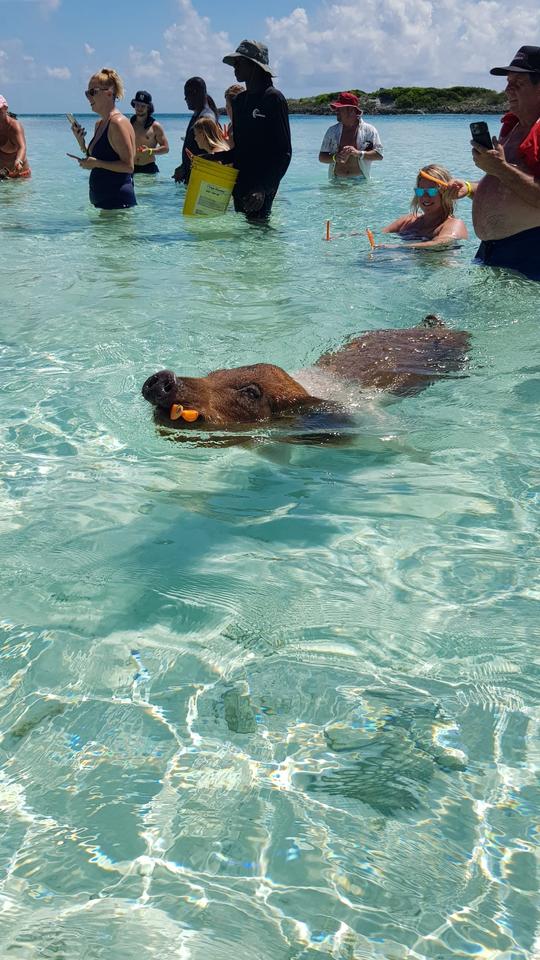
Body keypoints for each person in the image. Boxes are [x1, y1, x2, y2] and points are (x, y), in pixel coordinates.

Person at [450, 46, 540, 280]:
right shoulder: (513, 127)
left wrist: (499, 168)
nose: (507, 89)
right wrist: (470, 188)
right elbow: (507, 186)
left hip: (528, 253)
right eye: (508, 82)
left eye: (517, 83)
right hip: (493, 252)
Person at [215, 39, 291, 220]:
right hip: (240, 182)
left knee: (259, 233)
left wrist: (264, 188)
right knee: (244, 241)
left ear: (255, 66)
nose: (235, 67)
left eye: (239, 63)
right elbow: (241, 150)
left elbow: (284, 153)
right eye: (235, 63)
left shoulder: (274, 99)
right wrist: (215, 158)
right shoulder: (240, 101)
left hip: (261, 188)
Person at [69, 68, 136, 210]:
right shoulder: (100, 123)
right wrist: (81, 143)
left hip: (118, 203)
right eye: (87, 93)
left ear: (109, 93)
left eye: (93, 92)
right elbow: (100, 158)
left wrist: (97, 163)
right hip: (105, 204)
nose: (88, 97)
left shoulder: (117, 123)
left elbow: (128, 166)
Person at [381, 165, 468, 248]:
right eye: (420, 191)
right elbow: (379, 235)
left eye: (432, 191)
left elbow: (440, 243)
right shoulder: (407, 221)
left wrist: (398, 247)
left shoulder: (454, 224)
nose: (425, 196)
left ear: (445, 193)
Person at [319, 92, 383, 180]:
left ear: (351, 110)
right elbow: (321, 157)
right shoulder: (332, 131)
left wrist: (358, 153)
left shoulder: (369, 130)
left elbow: (379, 155)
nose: (336, 111)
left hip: (360, 181)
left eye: (340, 109)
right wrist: (335, 157)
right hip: (336, 181)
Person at [172, 77, 218, 183]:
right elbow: (194, 147)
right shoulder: (198, 113)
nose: (185, 99)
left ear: (195, 93)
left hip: (200, 178)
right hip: (194, 175)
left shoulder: (206, 117)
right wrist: (184, 165)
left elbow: (212, 151)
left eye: (186, 95)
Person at [130, 90, 169, 175]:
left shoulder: (155, 126)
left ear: (148, 107)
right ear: (134, 105)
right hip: (131, 168)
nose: (139, 108)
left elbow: (166, 148)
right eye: (137, 105)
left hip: (148, 170)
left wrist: (150, 151)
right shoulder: (128, 124)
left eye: (143, 106)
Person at [0, 95, 31, 179]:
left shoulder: (14, 126)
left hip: (20, 176)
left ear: (5, 108)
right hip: (2, 176)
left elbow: (22, 147)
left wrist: (18, 161)